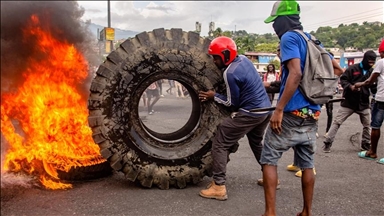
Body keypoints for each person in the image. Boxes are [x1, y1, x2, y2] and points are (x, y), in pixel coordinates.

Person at [261, 1, 344, 216]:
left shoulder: (289, 38)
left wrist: (279, 109)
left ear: (283, 20)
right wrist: (314, 90)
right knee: (307, 165)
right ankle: (306, 211)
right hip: (312, 113)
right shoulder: (311, 39)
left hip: (291, 112)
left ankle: (270, 212)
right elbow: (337, 69)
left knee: (269, 158)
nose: (274, 28)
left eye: (275, 23)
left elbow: (295, 74)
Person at [198, 36, 272, 201]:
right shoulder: (244, 60)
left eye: (216, 58)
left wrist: (213, 95)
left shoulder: (230, 73)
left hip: (251, 112)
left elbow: (232, 103)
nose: (214, 61)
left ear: (225, 55)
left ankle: (219, 186)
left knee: (221, 141)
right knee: (256, 143)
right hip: (265, 110)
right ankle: (271, 177)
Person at [323, 50, 377, 153]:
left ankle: (365, 144)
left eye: (373, 62)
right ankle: (327, 142)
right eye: (369, 62)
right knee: (337, 122)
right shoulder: (353, 69)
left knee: (367, 125)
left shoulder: (372, 72)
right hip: (349, 102)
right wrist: (350, 87)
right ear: (365, 59)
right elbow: (343, 80)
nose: (371, 64)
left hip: (364, 103)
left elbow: (374, 87)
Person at [356, 40, 384, 164]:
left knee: (376, 126)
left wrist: (359, 84)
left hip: (381, 99)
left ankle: (372, 152)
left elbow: (370, 81)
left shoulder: (381, 62)